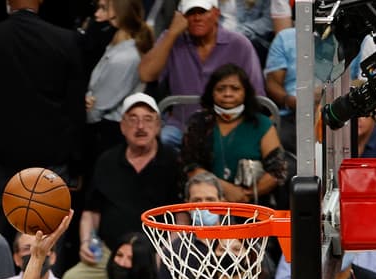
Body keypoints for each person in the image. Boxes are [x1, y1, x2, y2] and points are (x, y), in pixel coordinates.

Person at [0, 0, 86, 226]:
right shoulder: (66, 40)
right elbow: (75, 108)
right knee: (46, 240)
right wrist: (76, 163)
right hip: (50, 160)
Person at [65, 92, 181, 279]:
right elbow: (90, 213)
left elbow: (181, 218)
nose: (140, 126)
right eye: (133, 119)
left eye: (148, 119)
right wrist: (86, 242)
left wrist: (167, 253)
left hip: (156, 256)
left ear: (158, 125)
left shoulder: (172, 161)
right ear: (122, 126)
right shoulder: (106, 161)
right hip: (111, 254)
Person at [138, 0, 263, 150]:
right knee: (162, 142)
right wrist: (172, 33)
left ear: (216, 13)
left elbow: (257, 95)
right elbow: (146, 74)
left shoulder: (240, 44)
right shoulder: (171, 40)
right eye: (190, 13)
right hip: (181, 125)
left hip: (228, 125)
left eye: (202, 12)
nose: (196, 18)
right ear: (181, 16)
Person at [179, 63, 287, 205]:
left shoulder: (262, 124)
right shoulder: (198, 122)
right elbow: (190, 167)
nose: (227, 94)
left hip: (253, 205)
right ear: (212, 92)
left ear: (245, 93)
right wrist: (225, 189)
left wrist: (245, 196)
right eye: (220, 89)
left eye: (235, 89)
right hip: (206, 203)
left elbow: (277, 172)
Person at [84, 0, 151, 164]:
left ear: (118, 14)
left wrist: (88, 109)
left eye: (103, 8)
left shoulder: (125, 57)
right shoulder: (116, 46)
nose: (96, 15)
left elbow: (99, 107)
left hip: (111, 134)